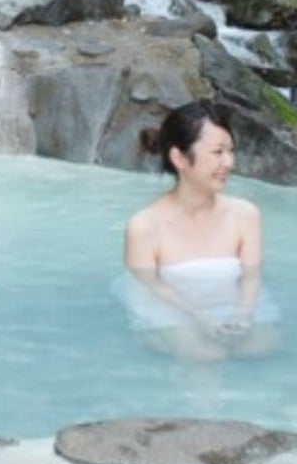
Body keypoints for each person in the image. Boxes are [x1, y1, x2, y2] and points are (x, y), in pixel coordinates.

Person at [117, 100, 282, 361]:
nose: (229, 162)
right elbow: (149, 286)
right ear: (180, 158)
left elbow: (252, 277)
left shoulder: (245, 215)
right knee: (206, 355)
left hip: (231, 307)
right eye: (218, 152)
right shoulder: (145, 226)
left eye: (231, 151)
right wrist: (198, 318)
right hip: (171, 309)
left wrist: (242, 316)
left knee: (262, 346)